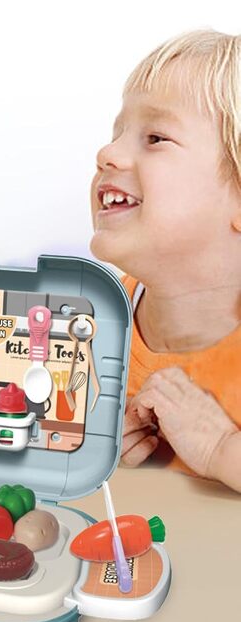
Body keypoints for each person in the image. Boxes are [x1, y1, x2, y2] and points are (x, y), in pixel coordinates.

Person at [90, 30, 241, 492]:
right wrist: (89, 442)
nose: (107, 153)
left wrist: (222, 450)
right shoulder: (94, 319)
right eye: (116, 134)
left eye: (155, 137)